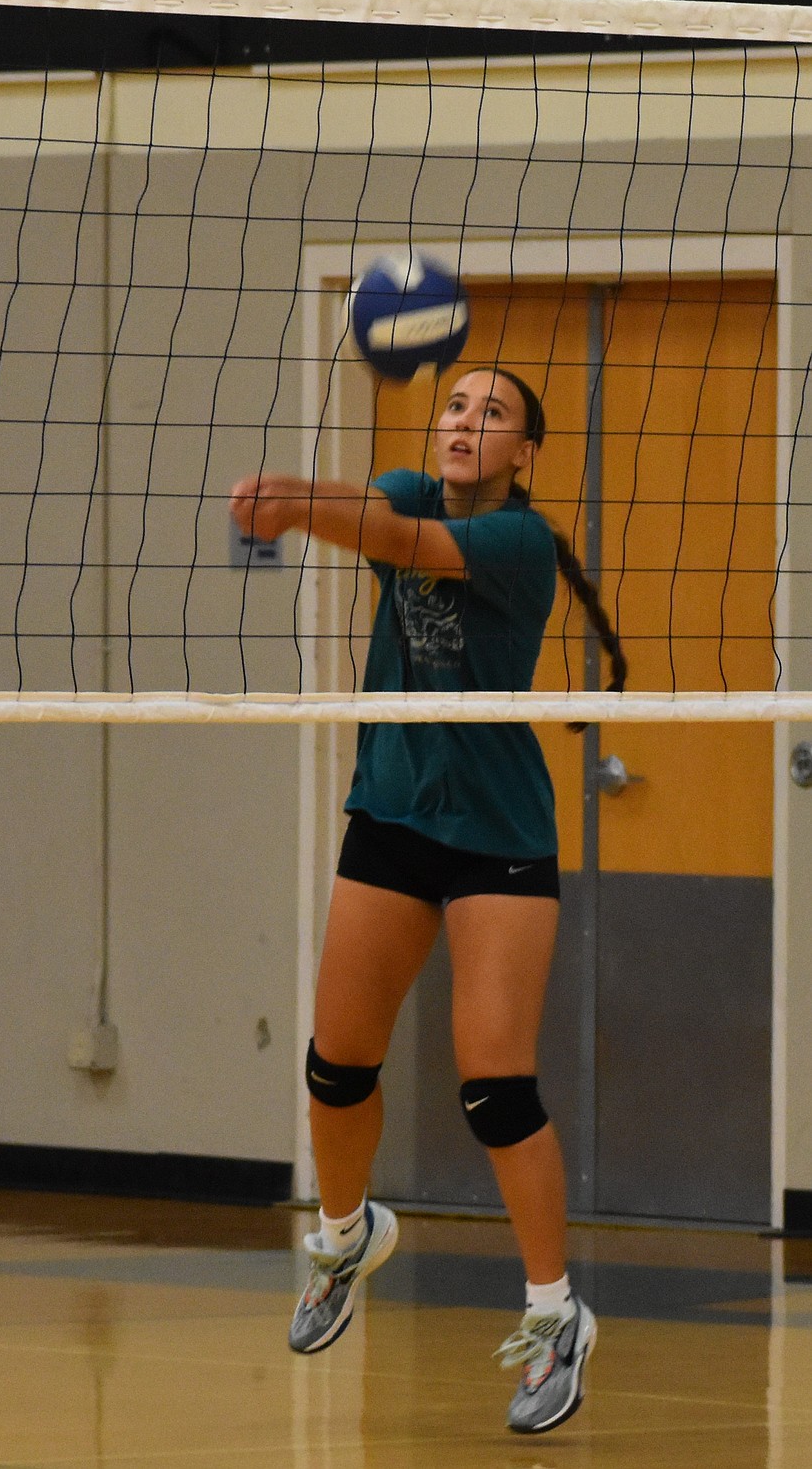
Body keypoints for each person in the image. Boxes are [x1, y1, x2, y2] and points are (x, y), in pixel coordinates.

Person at [229, 366, 626, 1435]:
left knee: (495, 1087)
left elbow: (400, 546)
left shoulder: (518, 543)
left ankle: (556, 1314)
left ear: (523, 454)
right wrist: (304, 498)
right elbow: (379, 512)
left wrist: (291, 500)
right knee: (334, 1062)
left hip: (497, 832)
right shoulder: (404, 484)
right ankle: (347, 1229)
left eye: (492, 414)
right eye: (454, 406)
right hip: (395, 813)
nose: (466, 423)